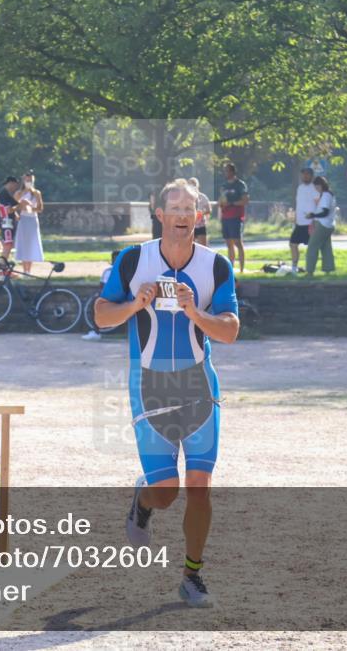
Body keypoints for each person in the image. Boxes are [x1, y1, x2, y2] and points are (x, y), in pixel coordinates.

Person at [95, 178, 240, 608]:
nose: (181, 215)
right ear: (157, 214)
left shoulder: (216, 266)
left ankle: (192, 575)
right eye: (172, 207)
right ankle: (144, 497)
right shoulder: (132, 260)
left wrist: (196, 311)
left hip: (199, 385)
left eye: (189, 208)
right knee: (167, 492)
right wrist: (135, 305)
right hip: (150, 385)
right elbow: (102, 316)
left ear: (200, 215)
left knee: (200, 485)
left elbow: (230, 331)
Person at [81, 249, 122, 341]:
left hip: (123, 296)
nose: (115, 261)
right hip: (108, 296)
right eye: (114, 259)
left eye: (117, 259)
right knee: (95, 302)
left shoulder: (126, 271)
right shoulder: (107, 271)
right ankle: (96, 332)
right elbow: (101, 286)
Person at [218, 163, 248, 273]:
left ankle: (241, 269)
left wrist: (231, 203)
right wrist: (221, 203)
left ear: (232, 172)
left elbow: (245, 200)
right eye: (224, 171)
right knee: (228, 244)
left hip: (236, 217)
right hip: (225, 217)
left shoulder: (240, 185)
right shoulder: (223, 186)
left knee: (237, 242)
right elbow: (220, 201)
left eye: (226, 170)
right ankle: (231, 269)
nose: (225, 173)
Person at [13, 170, 45, 274]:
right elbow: (12, 207)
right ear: (23, 181)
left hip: (32, 219)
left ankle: (29, 270)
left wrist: (31, 207)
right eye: (27, 180)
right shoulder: (18, 193)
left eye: (30, 180)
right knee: (23, 244)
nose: (28, 182)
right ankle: (24, 270)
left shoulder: (36, 193)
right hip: (23, 219)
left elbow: (40, 208)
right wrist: (18, 212)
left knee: (31, 244)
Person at [305, 176, 336, 276]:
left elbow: (325, 212)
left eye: (317, 187)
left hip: (323, 224)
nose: (316, 189)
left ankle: (310, 271)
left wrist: (313, 215)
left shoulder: (326, 195)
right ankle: (328, 269)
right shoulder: (328, 194)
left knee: (312, 246)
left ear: (321, 185)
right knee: (326, 247)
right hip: (329, 224)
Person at [291, 168, 318, 275]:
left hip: (310, 223)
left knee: (311, 247)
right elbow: (299, 205)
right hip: (299, 223)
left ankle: (310, 269)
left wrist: (315, 220)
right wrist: (295, 218)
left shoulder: (314, 188)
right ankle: (294, 268)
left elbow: (318, 204)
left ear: (311, 176)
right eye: (303, 175)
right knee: (293, 244)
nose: (305, 177)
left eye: (307, 175)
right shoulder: (299, 188)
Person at [0, 176, 20, 259]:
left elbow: (13, 205)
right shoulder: (3, 193)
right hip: (6, 221)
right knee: (8, 243)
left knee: (9, 244)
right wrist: (21, 205)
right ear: (11, 183)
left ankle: (4, 265)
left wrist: (15, 211)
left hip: (8, 221)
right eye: (15, 185)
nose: (16, 188)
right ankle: (3, 267)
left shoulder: (7, 193)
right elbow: (7, 210)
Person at [188, 177, 213, 246]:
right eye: (190, 185)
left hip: (201, 225)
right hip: (190, 225)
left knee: (203, 246)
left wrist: (202, 213)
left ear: (197, 185)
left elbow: (209, 210)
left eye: (194, 184)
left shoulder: (202, 196)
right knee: (190, 246)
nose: (192, 186)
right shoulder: (186, 197)